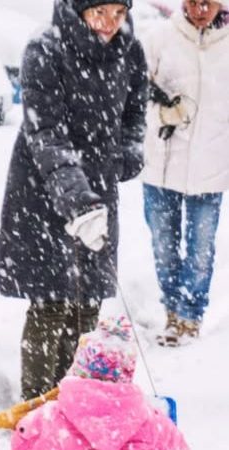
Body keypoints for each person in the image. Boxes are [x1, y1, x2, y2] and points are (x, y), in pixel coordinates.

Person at [0, 0, 148, 400]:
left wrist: (128, 152)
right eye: (100, 13)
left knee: (87, 304)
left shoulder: (129, 48)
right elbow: (45, 132)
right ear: (78, 10)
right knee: (50, 302)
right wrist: (76, 199)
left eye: (119, 13)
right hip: (44, 189)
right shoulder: (45, 49)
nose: (110, 24)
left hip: (97, 186)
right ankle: (37, 407)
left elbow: (134, 112)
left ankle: (75, 403)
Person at [141, 0, 229, 346]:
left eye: (208, 1)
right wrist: (162, 116)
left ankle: (189, 318)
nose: (201, 8)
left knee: (200, 250)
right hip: (162, 165)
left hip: (211, 168)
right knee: (164, 247)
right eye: (193, 0)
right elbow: (133, 96)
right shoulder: (159, 39)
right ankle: (172, 311)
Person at [11, 317, 191, 450]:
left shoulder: (44, 420)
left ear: (79, 367)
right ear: (127, 373)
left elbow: (19, 443)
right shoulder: (156, 426)